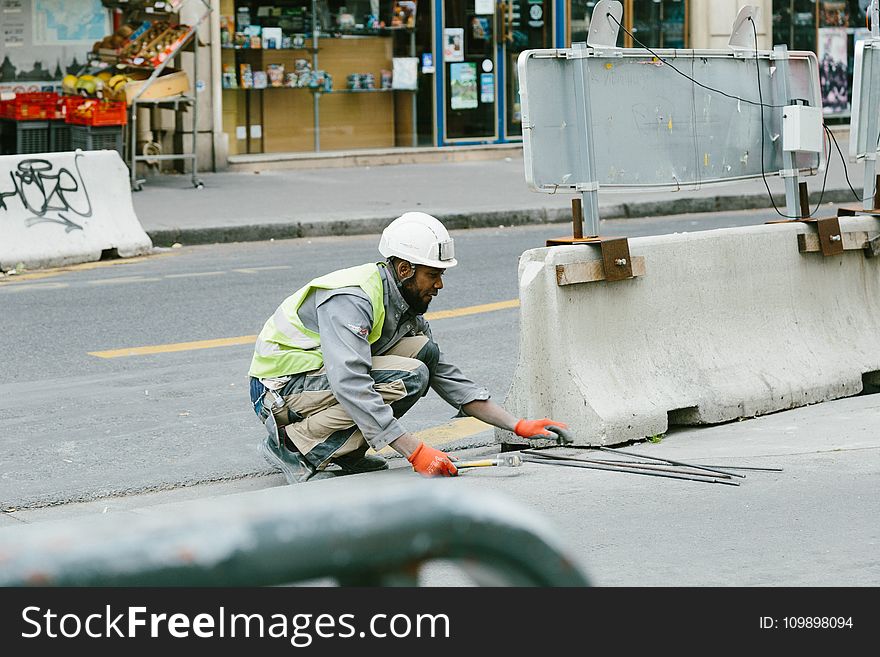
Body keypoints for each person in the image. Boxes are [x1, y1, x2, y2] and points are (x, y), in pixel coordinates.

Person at [248, 212, 568, 483]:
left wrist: (516, 424)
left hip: (313, 384)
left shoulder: (403, 304)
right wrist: (413, 450)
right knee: (410, 375)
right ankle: (293, 448)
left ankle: (344, 452)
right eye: (433, 275)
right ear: (405, 270)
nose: (439, 285)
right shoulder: (353, 299)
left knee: (423, 353)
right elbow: (351, 382)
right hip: (280, 392)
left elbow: (446, 375)